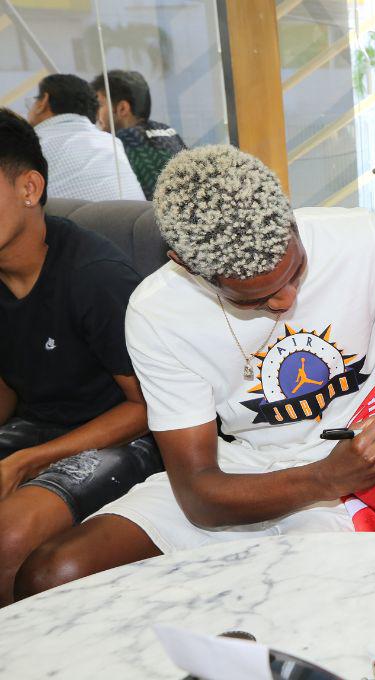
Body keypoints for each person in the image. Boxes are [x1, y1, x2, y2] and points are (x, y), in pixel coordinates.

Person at [15, 145, 375, 598]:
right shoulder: (158, 312)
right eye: (254, 299)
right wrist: (323, 477)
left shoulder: (361, 240)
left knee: (306, 596)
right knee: (52, 575)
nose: (285, 300)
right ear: (187, 265)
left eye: (295, 272)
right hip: (240, 474)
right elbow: (199, 495)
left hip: (358, 470)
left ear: (291, 218)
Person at [0, 108, 160, 606]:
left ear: (29, 188)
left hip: (126, 436)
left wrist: (27, 460)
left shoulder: (96, 275)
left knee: (7, 535)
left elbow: (147, 408)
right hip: (41, 426)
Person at [25, 74, 145, 202]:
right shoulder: (112, 142)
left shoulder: (31, 145)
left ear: (43, 101)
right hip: (136, 219)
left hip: (78, 221)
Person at [91, 70, 187, 200]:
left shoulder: (120, 142)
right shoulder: (168, 131)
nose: (96, 114)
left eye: (100, 105)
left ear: (122, 108)